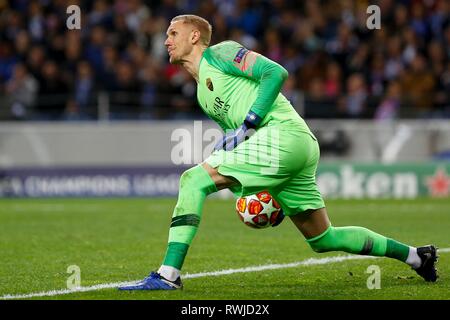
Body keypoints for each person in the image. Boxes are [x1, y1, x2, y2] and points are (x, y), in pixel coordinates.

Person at [118, 15, 438, 290]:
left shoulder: (221, 53)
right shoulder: (202, 93)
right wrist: (263, 175)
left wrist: (248, 124)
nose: (166, 40)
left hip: (283, 136)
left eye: (172, 33)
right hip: (291, 148)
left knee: (192, 181)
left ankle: (168, 275)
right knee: (323, 238)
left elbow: (276, 74)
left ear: (194, 35)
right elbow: (242, 138)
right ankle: (416, 255)